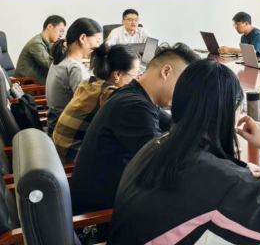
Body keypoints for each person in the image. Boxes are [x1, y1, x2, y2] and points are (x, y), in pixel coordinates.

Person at [104, 59, 260, 245]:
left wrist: (238, 173)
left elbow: (202, 181)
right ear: (228, 111)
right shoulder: (223, 181)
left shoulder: (157, 144)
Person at [70, 43, 199, 215]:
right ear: (166, 72)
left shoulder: (138, 96)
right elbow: (162, 163)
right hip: (100, 214)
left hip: (114, 198)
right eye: (183, 85)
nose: (184, 93)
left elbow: (174, 124)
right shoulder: (134, 106)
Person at [52, 44, 140, 164]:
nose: (136, 80)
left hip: (59, 151)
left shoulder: (89, 82)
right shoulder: (108, 93)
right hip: (71, 159)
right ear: (117, 74)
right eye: (134, 76)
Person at [46, 18, 102, 136]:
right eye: (97, 41)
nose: (97, 46)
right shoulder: (75, 68)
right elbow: (88, 106)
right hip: (67, 131)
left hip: (55, 124)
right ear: (83, 38)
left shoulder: (60, 60)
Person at [15, 15, 66, 85]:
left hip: (39, 84)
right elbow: (52, 65)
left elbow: (56, 60)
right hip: (29, 87)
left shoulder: (48, 44)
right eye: (60, 31)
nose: (61, 35)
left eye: (62, 32)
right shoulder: (36, 44)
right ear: (49, 27)